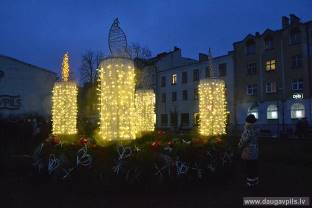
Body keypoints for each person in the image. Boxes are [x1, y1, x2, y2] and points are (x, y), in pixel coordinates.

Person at [238, 114, 259, 187]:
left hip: (248, 152)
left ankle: (250, 182)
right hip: (255, 151)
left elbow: (244, 140)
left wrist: (239, 146)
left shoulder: (248, 129)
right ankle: (255, 180)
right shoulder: (255, 129)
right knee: (254, 166)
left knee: (249, 167)